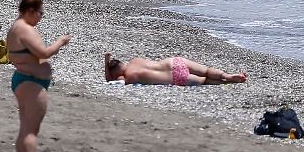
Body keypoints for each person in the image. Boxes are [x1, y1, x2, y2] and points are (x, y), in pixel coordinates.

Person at [5, 0, 70, 152]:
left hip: (27, 79)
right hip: (31, 81)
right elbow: (44, 53)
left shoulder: (19, 27)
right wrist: (60, 42)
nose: (41, 17)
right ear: (31, 11)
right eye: (41, 13)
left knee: (26, 128)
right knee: (31, 131)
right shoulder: (24, 28)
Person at [104, 52, 246, 85]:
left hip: (175, 77)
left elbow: (110, 80)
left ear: (116, 71)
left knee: (205, 81)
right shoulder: (135, 60)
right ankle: (228, 76)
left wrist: (106, 63)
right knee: (206, 70)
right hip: (174, 62)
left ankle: (228, 81)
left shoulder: (129, 77)